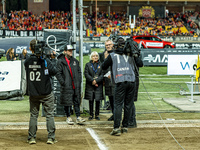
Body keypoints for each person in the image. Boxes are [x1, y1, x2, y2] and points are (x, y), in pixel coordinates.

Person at [102, 37, 143, 136]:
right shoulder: (131, 54)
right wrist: (136, 54)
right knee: (128, 105)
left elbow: (103, 66)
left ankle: (116, 127)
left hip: (120, 81)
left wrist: (107, 57)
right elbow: (140, 64)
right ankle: (125, 126)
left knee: (118, 105)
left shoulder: (112, 55)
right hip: (131, 81)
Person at [24, 39, 57, 144]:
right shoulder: (45, 60)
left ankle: (32, 138)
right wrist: (52, 58)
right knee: (49, 115)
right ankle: (51, 138)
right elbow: (54, 71)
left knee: (33, 115)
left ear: (30, 49)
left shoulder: (27, 61)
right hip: (46, 93)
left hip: (33, 93)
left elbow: (28, 65)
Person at [56, 45, 85, 125]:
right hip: (67, 85)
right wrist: (63, 82)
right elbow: (58, 73)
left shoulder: (75, 61)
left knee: (76, 101)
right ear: (65, 51)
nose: (71, 52)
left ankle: (78, 116)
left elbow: (79, 72)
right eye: (69, 50)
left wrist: (79, 81)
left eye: (71, 50)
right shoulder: (60, 61)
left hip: (75, 85)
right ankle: (68, 117)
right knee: (67, 102)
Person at [84, 51, 104, 120]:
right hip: (90, 85)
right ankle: (91, 114)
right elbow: (86, 74)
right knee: (91, 100)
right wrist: (92, 81)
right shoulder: (87, 65)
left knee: (97, 100)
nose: (95, 57)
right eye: (94, 56)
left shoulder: (101, 65)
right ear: (91, 57)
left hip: (98, 85)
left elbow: (102, 75)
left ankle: (97, 114)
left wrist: (96, 81)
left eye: (96, 56)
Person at [99, 39, 115, 121]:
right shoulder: (103, 55)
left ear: (113, 45)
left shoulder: (116, 53)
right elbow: (102, 67)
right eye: (106, 45)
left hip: (115, 80)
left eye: (109, 44)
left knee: (116, 98)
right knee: (110, 98)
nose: (108, 46)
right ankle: (114, 114)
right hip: (107, 80)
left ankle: (117, 115)